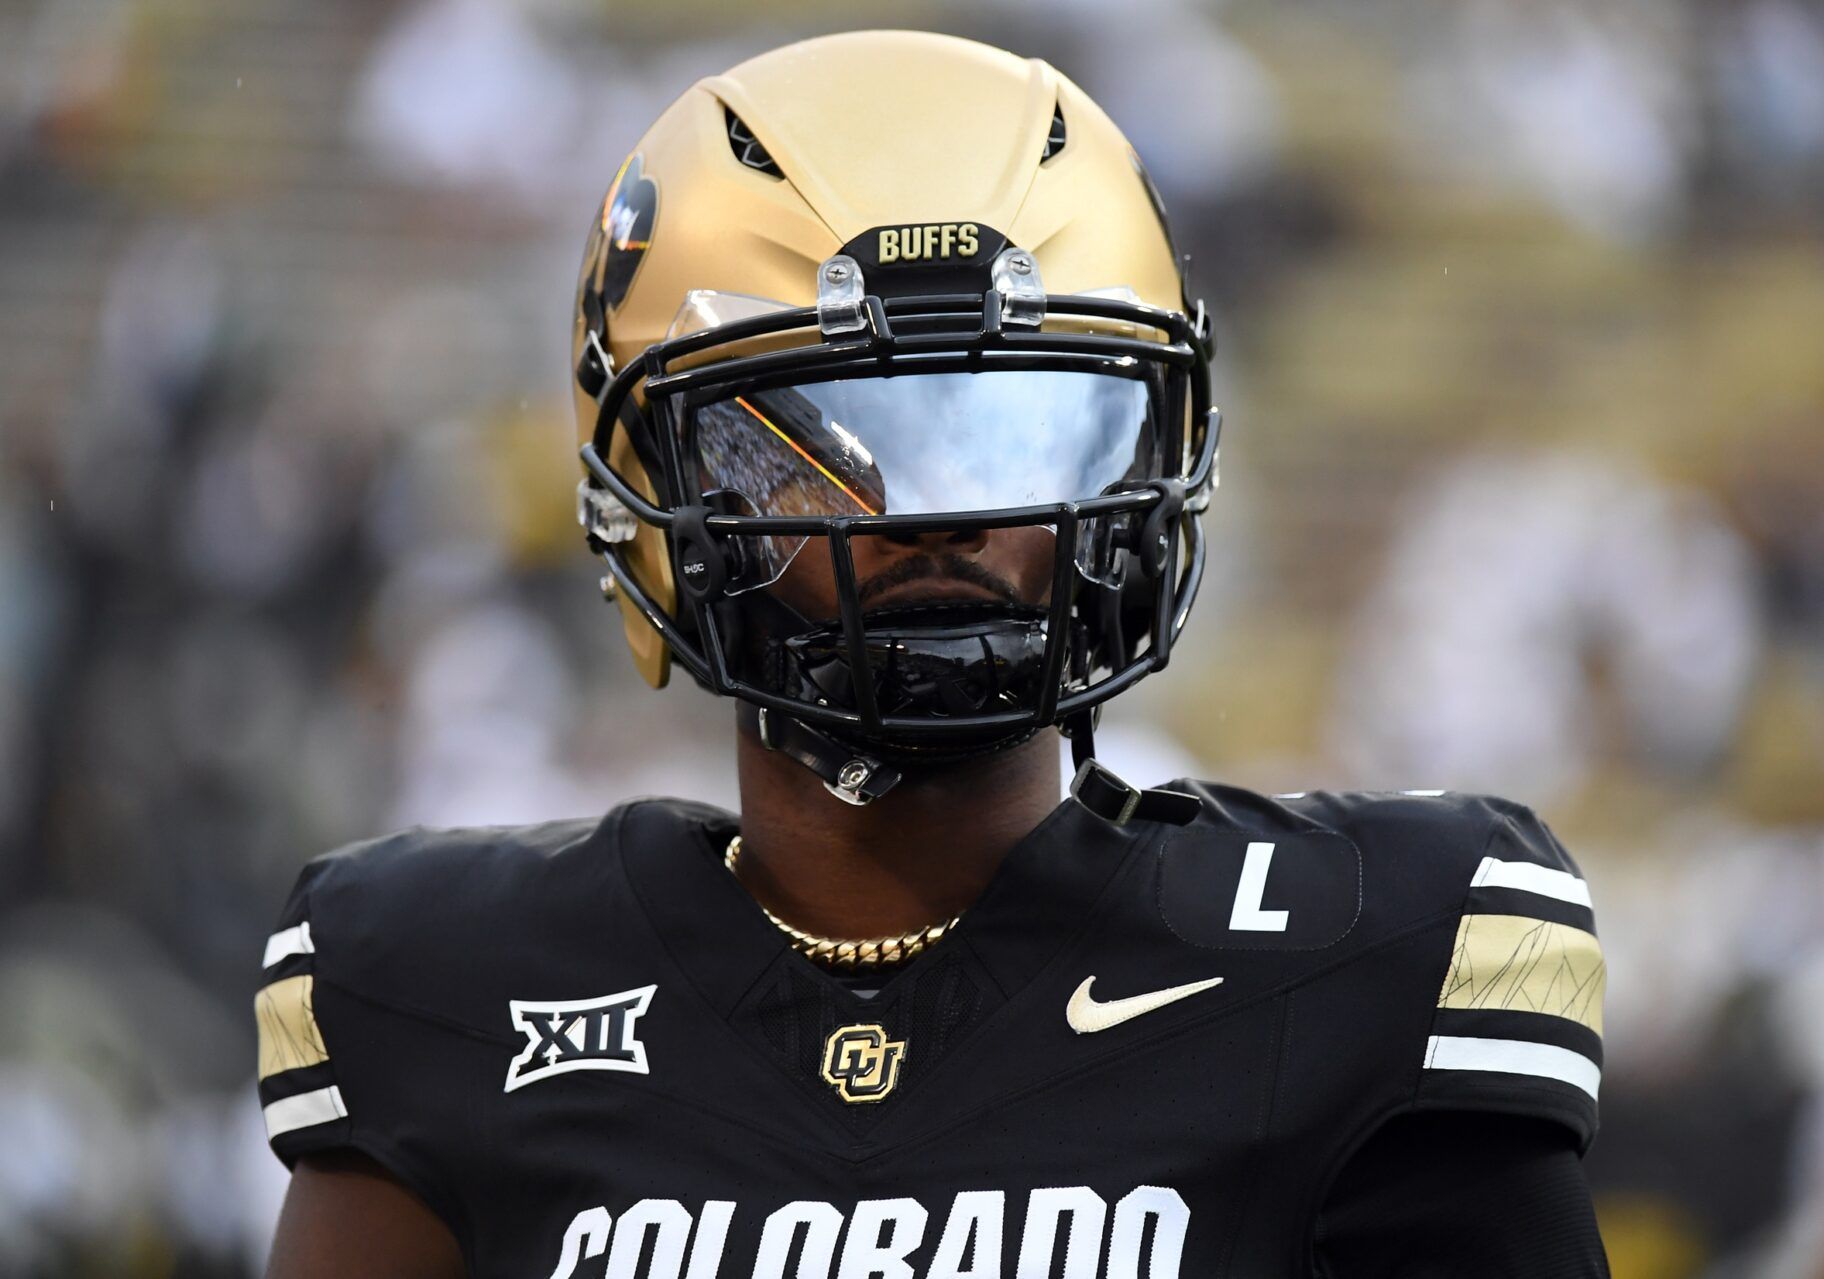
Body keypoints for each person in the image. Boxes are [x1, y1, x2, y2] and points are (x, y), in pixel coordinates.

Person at [256, 31, 1611, 1277]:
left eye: (1024, 428)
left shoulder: (1363, 962)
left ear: (1146, 460)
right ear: (653, 491)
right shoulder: (448, 991)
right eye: (833, 448)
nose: (942, 518)